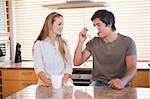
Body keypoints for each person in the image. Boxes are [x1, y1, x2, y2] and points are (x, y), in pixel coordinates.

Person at [73, 10, 137, 89]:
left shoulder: (128, 42)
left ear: (110, 24)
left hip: (121, 83)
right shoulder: (93, 42)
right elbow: (77, 62)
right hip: (98, 83)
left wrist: (123, 81)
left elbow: (132, 67)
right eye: (94, 26)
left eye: (98, 25)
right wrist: (80, 41)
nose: (96, 29)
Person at [33, 12, 73, 87]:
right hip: (45, 83)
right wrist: (47, 81)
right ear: (50, 25)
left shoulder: (65, 43)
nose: (62, 27)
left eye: (63, 24)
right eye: (59, 24)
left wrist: (63, 81)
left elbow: (69, 65)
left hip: (64, 83)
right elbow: (38, 67)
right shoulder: (39, 44)